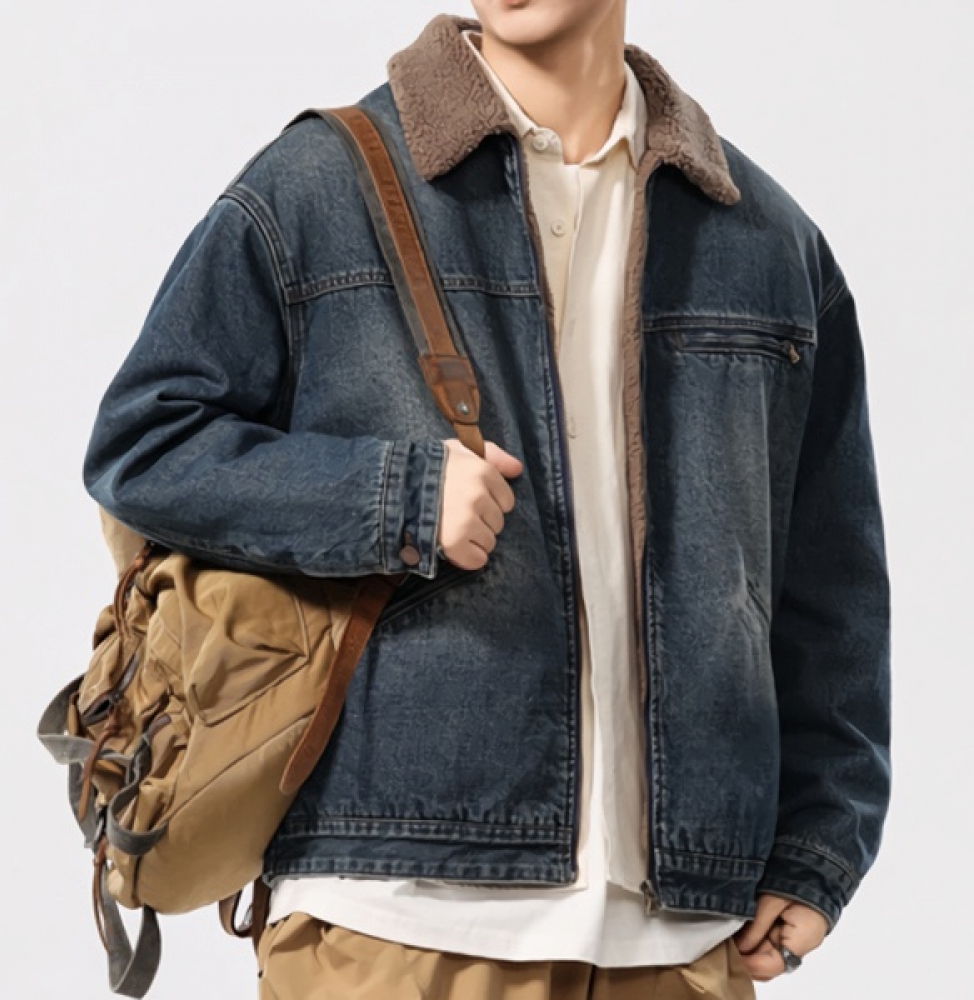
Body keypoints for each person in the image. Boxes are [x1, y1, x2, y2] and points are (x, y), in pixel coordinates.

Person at [82, 3, 891, 997]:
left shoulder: (764, 240)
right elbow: (146, 443)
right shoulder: (321, 186)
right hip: (398, 912)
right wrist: (395, 499)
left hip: (682, 934)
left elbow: (828, 580)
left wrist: (818, 841)